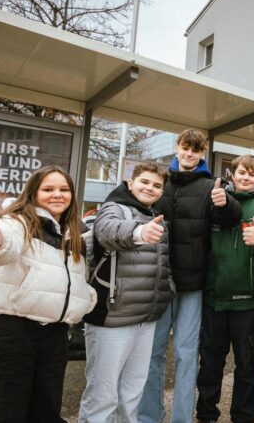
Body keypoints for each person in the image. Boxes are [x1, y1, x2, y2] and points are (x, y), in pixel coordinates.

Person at [0, 166, 96, 422]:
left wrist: (85, 300)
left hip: (53, 336)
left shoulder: (72, 232)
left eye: (64, 190)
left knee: (44, 410)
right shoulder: (15, 221)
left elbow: (74, 280)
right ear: (33, 192)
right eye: (48, 189)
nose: (57, 195)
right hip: (9, 333)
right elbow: (1, 248)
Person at [138, 129, 242, 423]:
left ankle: (182, 418)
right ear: (177, 148)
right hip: (160, 281)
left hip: (193, 285)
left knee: (186, 354)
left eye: (195, 150)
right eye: (186, 148)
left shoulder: (212, 186)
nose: (189, 154)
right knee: (153, 353)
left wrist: (225, 201)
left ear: (202, 153)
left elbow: (230, 217)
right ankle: (149, 415)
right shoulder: (162, 182)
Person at [78, 162, 175, 422]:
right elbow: (109, 232)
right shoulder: (114, 207)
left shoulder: (154, 213)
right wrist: (139, 232)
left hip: (145, 319)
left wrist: (167, 291)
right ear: (130, 183)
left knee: (132, 394)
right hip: (113, 316)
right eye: (144, 182)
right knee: (103, 396)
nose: (150, 188)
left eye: (157, 185)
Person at [195, 155, 254, 423]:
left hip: (249, 303)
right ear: (232, 174)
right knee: (210, 365)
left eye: (252, 174)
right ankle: (206, 414)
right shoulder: (216, 200)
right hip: (215, 299)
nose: (245, 178)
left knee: (246, 369)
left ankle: (243, 418)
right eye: (241, 173)